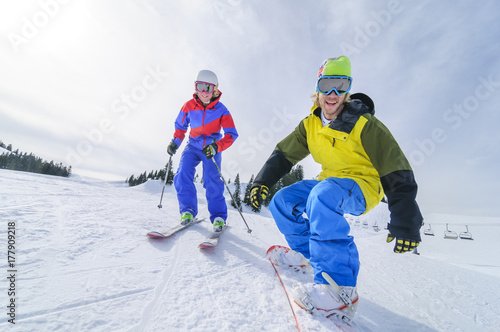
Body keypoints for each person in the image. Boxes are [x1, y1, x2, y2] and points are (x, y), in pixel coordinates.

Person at [250, 56, 423, 319]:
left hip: (362, 184)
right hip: (328, 182)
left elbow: (395, 167)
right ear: (317, 88)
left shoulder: (364, 124)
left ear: (348, 90)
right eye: (327, 84)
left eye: (341, 86)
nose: (333, 94)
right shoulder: (310, 125)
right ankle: (308, 255)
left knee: (322, 196)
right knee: (282, 201)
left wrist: (406, 220)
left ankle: (339, 289)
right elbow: (284, 154)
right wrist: (261, 182)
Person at [167, 70, 238, 232]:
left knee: (211, 180)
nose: (204, 92)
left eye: (208, 87)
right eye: (200, 87)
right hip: (192, 146)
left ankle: (219, 217)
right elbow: (180, 127)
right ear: (195, 86)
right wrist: (175, 143)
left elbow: (232, 134)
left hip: (211, 149)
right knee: (182, 174)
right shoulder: (188, 106)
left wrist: (216, 147)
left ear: (215, 89)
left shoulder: (222, 110)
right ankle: (188, 211)